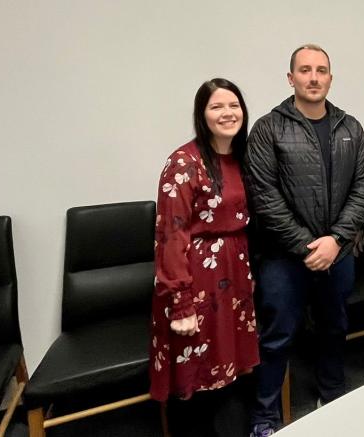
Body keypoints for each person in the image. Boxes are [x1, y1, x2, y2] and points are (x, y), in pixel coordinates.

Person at [243, 44, 364, 436]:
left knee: (334, 326)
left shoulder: (350, 127)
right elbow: (264, 195)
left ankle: (332, 395)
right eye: (305, 70)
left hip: (339, 253)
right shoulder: (268, 128)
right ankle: (265, 417)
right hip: (283, 257)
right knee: (278, 336)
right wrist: (307, 246)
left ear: (330, 79)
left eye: (321, 70)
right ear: (291, 78)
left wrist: (335, 240)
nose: (313, 77)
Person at [150, 78, 258, 437]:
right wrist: (180, 303)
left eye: (234, 105)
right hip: (196, 283)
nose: (228, 113)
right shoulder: (183, 163)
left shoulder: (242, 157)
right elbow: (170, 234)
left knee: (231, 369)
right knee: (196, 371)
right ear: (202, 114)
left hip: (235, 277)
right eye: (217, 107)